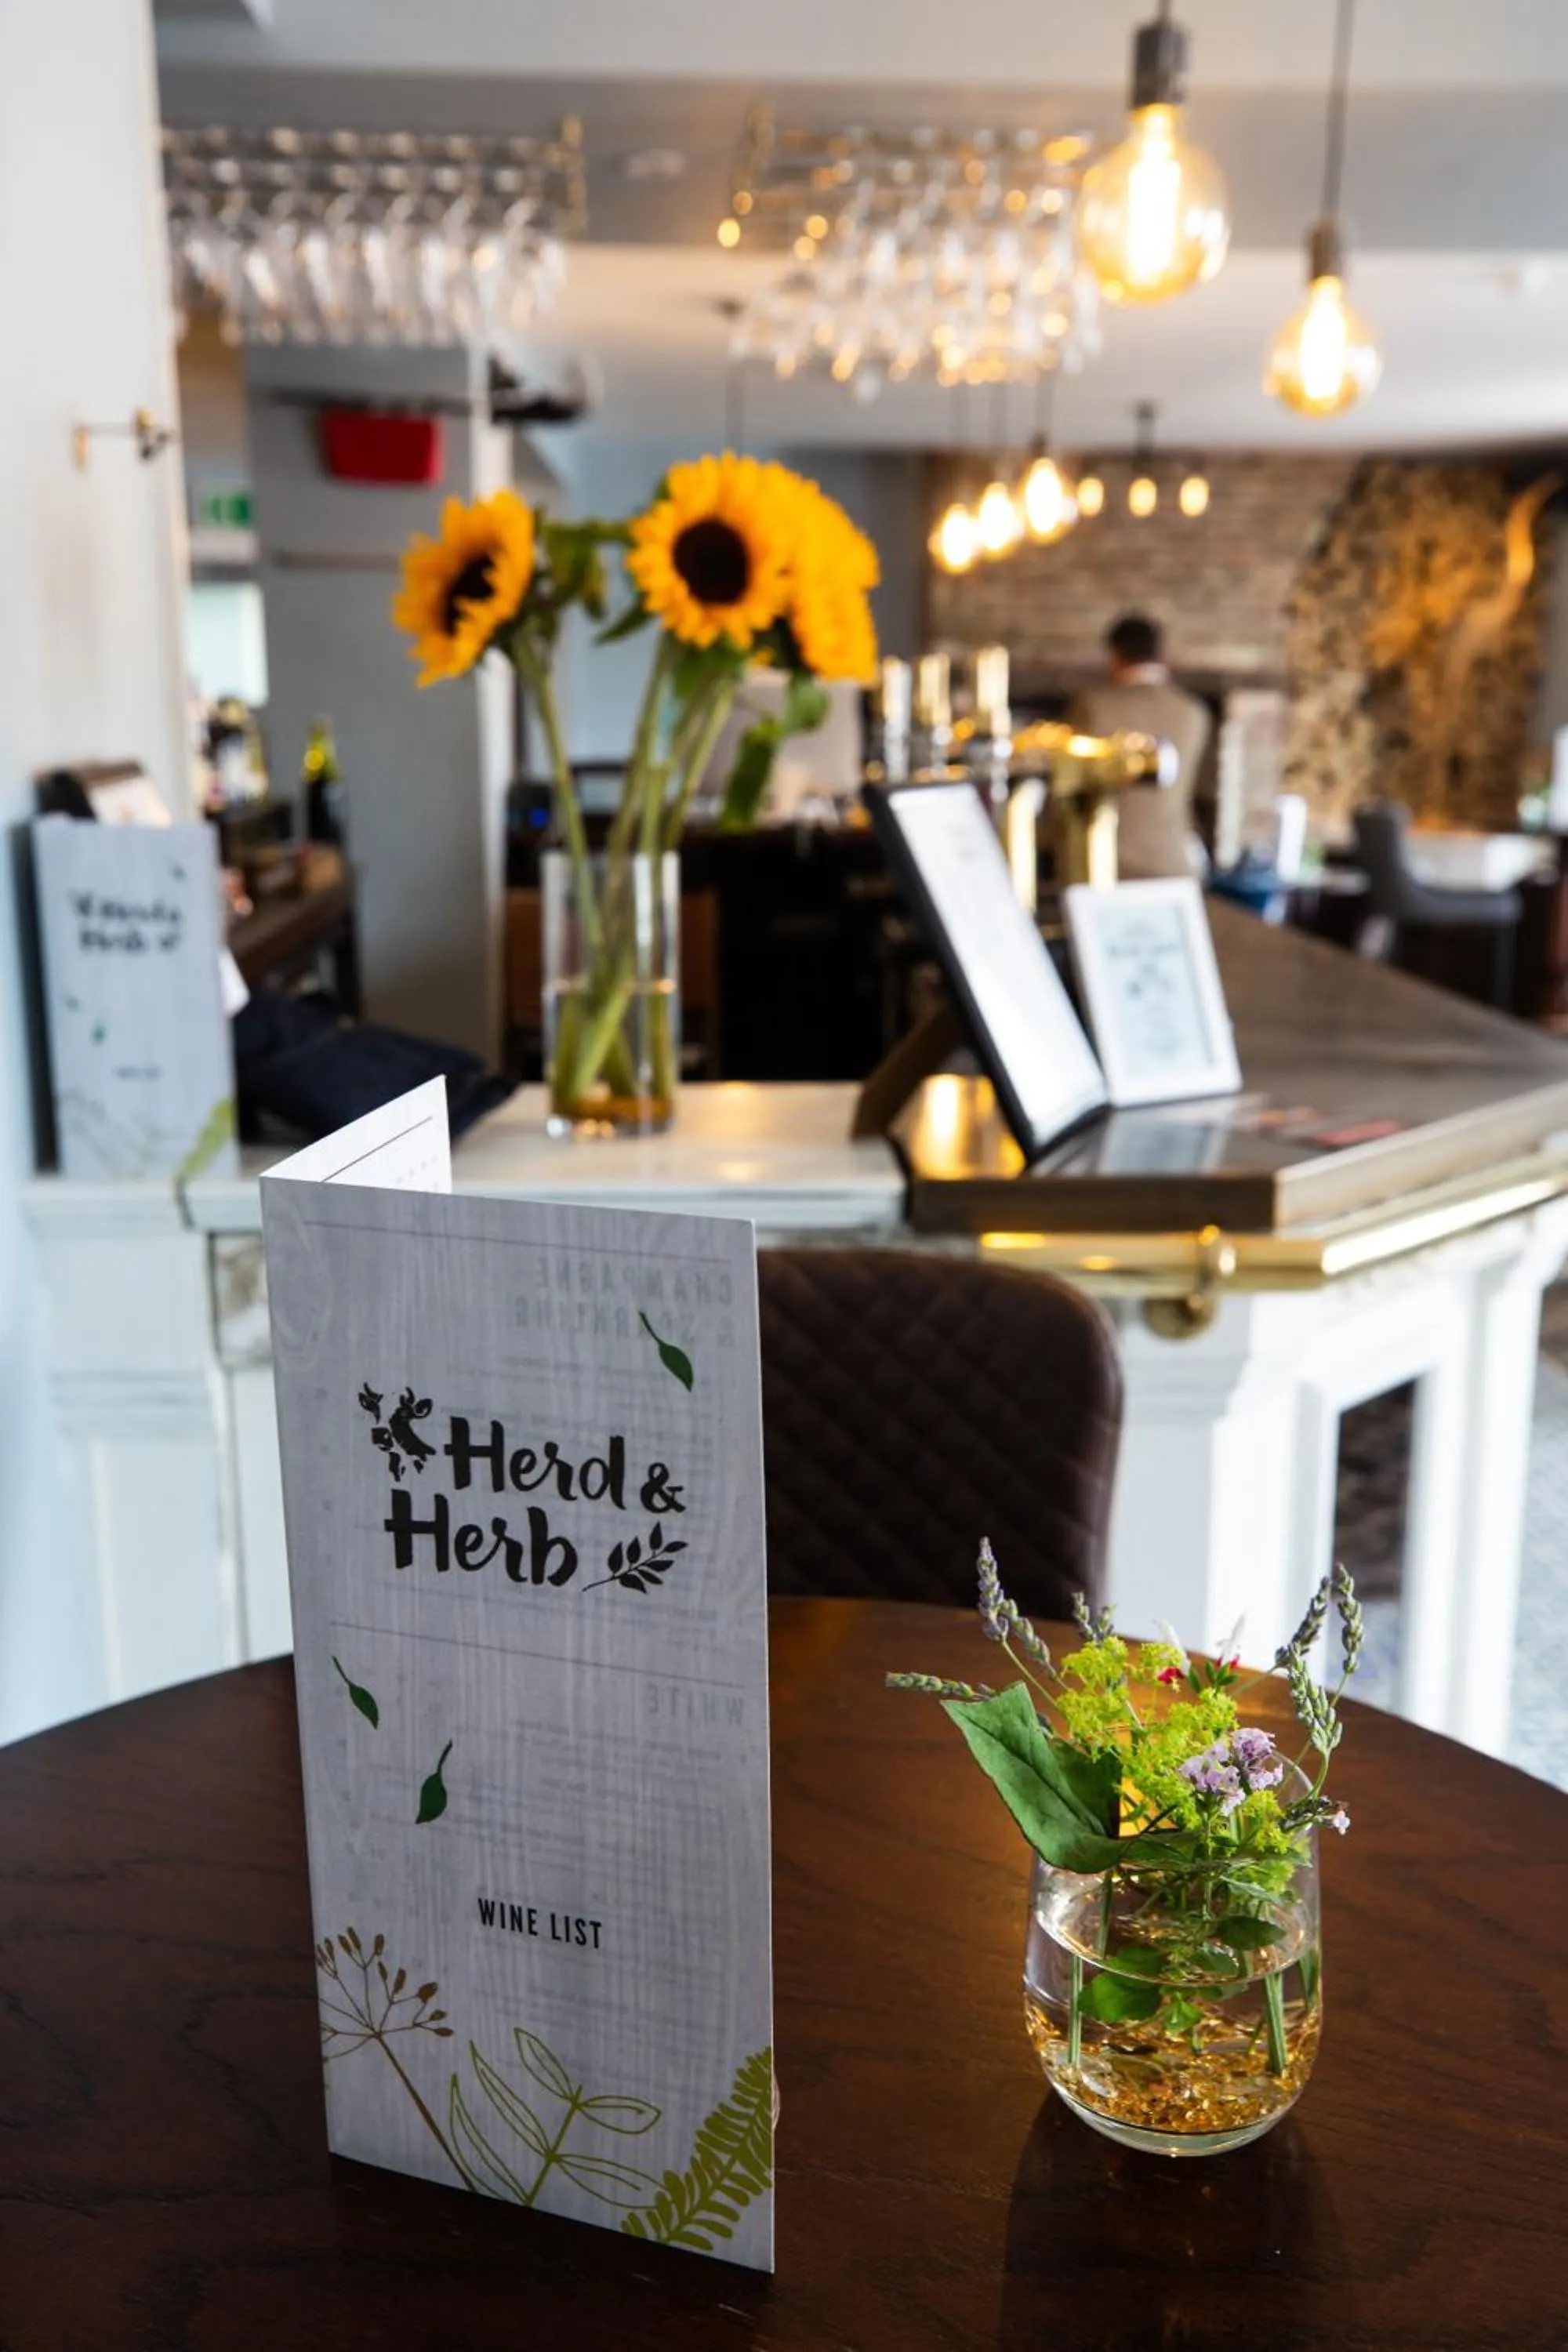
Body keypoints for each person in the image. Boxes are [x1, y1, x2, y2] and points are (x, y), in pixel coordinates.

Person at [1070, 613, 1213, 880]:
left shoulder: (1092, 707)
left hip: (1108, 863)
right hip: (1175, 860)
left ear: (1115, 654)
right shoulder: (1193, 711)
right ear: (1159, 653)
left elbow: (1073, 788)